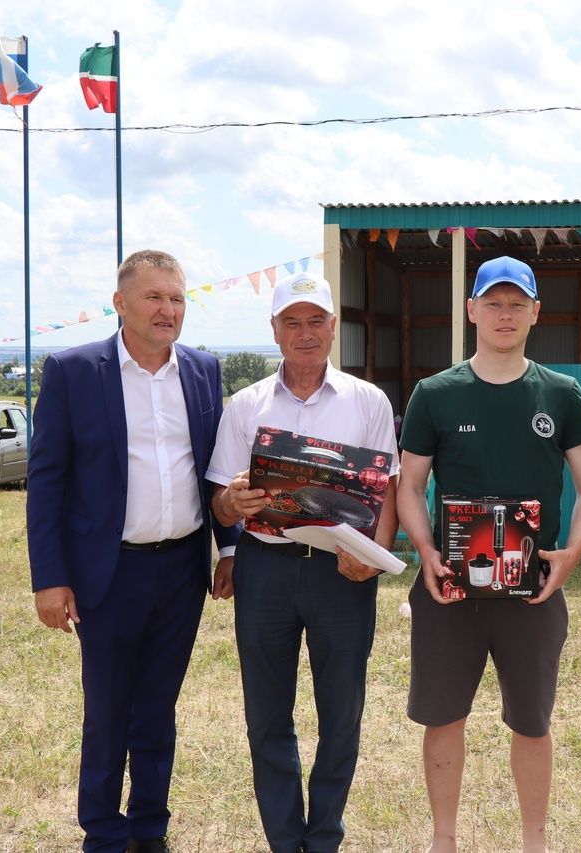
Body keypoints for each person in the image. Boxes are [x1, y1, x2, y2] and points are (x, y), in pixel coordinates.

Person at [27, 249, 240, 852]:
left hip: (180, 570)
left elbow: (216, 469)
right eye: (154, 297)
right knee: (108, 712)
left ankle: (150, 830)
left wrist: (229, 548)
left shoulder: (203, 370)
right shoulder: (74, 371)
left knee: (157, 710)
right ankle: (102, 832)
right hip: (107, 572)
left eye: (176, 298)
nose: (168, 309)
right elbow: (47, 480)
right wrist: (49, 576)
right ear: (120, 304)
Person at [396, 255, 581, 853]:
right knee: (443, 717)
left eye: (517, 304)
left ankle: (534, 841)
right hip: (449, 587)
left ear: (537, 312)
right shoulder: (435, 394)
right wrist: (428, 552)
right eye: (493, 302)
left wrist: (571, 555)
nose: (505, 314)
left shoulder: (560, 394)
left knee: (532, 722)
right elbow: (409, 486)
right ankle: (444, 840)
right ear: (472, 311)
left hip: (534, 587)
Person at [207, 272, 399, 853]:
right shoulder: (245, 405)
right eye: (292, 322)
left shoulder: (369, 401)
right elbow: (219, 497)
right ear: (274, 331)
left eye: (316, 321)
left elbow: (385, 492)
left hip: (342, 573)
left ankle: (325, 838)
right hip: (265, 569)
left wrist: (372, 556)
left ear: (334, 328)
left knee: (341, 713)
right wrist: (231, 504)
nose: (305, 333)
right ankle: (286, 840)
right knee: (267, 714)